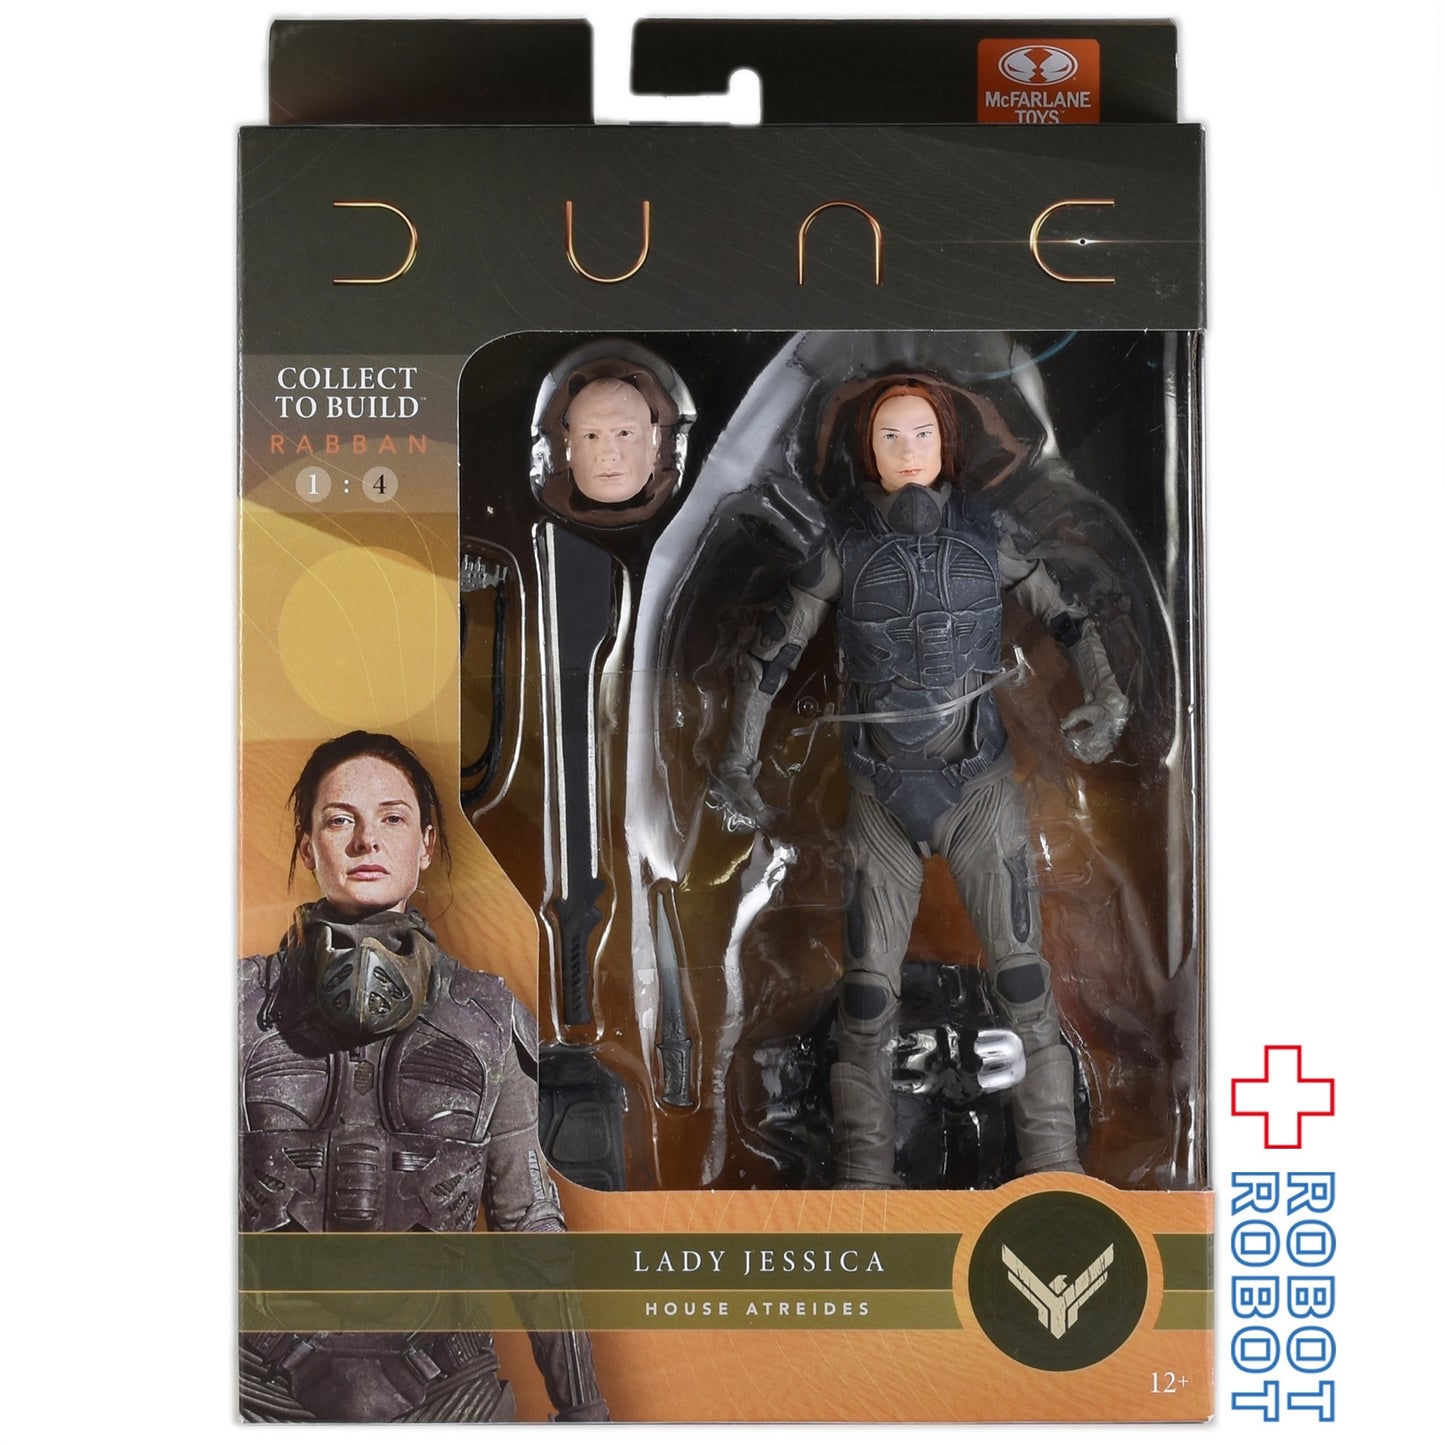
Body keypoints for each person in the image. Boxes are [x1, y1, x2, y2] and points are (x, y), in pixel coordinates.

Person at [711, 377, 1130, 1189]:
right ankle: (861, 1178)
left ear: (946, 443)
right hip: (880, 794)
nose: (907, 451)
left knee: (1022, 981)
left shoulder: (987, 534)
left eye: (921, 435)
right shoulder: (842, 543)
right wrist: (736, 759)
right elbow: (771, 652)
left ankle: (1054, 1165)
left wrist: (1107, 697)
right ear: (866, 451)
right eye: (889, 437)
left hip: (978, 785)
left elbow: (1068, 612)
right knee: (867, 1001)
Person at [239, 730, 608, 1422]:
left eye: (392, 817)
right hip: (258, 1401)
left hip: (451, 1403)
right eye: (339, 820)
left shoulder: (490, 1018)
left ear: (427, 844)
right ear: (306, 846)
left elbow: (530, 1225)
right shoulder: (236, 1009)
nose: (366, 840)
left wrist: (585, 1413)